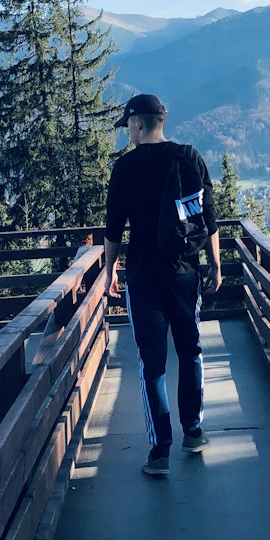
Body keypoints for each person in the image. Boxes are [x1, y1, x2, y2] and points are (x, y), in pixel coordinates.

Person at [103, 93, 221, 477]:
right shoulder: (189, 158)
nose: (128, 133)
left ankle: (160, 451)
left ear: (137, 123)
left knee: (151, 363)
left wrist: (109, 274)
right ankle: (194, 431)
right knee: (191, 351)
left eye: (128, 127)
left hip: (144, 279)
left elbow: (113, 229)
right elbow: (210, 218)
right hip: (186, 273)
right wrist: (215, 266)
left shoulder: (125, 168)